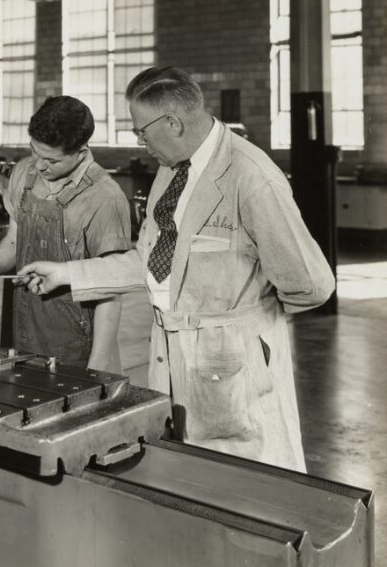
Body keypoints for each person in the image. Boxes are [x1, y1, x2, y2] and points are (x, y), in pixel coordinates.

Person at [18, 67, 335, 472]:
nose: (140, 141)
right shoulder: (171, 171)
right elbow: (152, 263)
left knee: (243, 483)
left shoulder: (251, 178)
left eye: (141, 131)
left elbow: (311, 284)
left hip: (233, 373)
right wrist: (67, 274)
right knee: (186, 479)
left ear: (172, 123)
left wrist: (242, 323)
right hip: (171, 361)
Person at [0, 96, 131, 371]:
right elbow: (15, 241)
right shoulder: (24, 173)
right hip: (24, 325)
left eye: (51, 160)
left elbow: (111, 291)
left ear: (81, 152)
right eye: (34, 151)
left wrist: (97, 369)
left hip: (77, 343)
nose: (38, 166)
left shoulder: (104, 197)